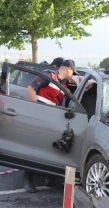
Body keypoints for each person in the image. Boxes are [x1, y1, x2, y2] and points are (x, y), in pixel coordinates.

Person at [23, 59, 78, 193]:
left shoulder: (63, 83)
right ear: (67, 69)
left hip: (53, 118)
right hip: (41, 114)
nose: (72, 75)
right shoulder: (49, 75)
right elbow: (30, 89)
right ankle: (28, 180)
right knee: (34, 147)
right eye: (73, 72)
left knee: (49, 147)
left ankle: (50, 179)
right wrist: (37, 109)